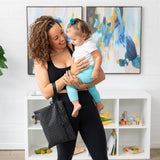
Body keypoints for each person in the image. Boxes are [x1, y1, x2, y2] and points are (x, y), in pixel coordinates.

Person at [28, 15, 108, 160]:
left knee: (101, 156)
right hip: (63, 111)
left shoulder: (76, 48)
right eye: (55, 37)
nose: (62, 38)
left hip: (87, 105)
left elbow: (101, 76)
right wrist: (71, 73)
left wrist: (80, 85)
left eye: (61, 33)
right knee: (64, 158)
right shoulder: (42, 60)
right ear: (46, 41)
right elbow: (46, 92)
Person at [66, 18, 104, 117]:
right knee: (91, 87)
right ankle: (99, 104)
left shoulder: (88, 44)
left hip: (88, 72)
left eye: (74, 39)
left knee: (70, 85)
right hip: (86, 72)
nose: (72, 42)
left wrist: (95, 70)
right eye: (70, 39)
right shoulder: (80, 44)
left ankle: (76, 104)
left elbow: (99, 56)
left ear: (83, 36)